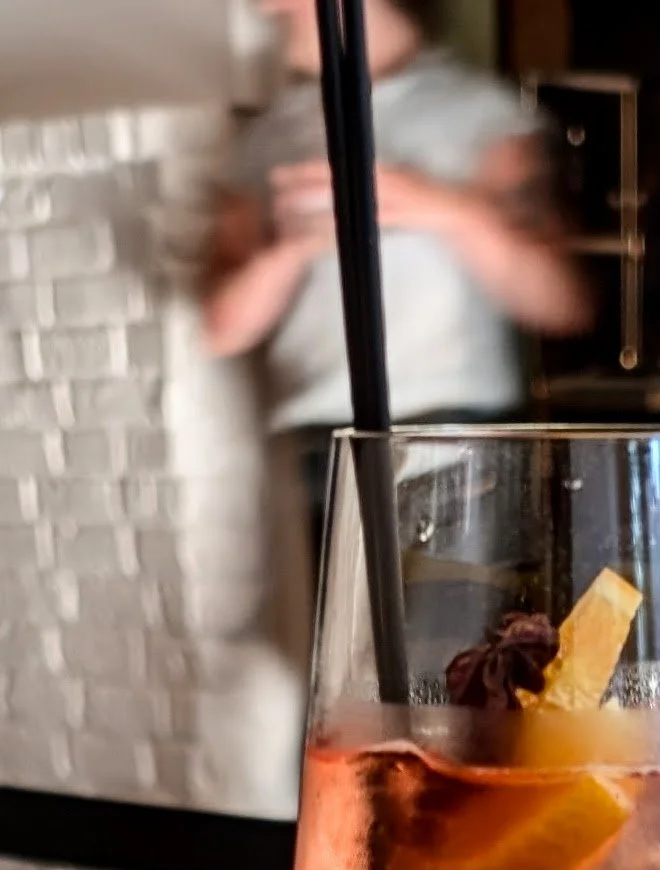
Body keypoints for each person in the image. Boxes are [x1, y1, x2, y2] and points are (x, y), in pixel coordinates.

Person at [204, 0, 593, 585]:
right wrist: (289, 249)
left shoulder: (479, 114)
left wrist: (441, 206)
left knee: (454, 663)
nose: (262, 7)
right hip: (317, 455)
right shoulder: (268, 138)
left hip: (452, 451)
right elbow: (219, 327)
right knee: (335, 670)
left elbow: (561, 303)